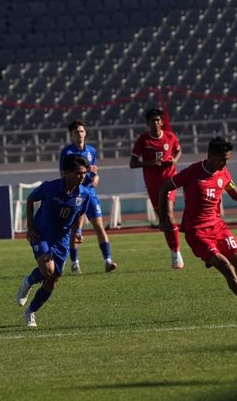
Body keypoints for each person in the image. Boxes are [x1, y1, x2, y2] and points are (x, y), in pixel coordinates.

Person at [158, 137, 237, 319]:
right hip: (197, 232)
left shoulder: (223, 172)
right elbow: (165, 188)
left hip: (218, 227)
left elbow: (236, 194)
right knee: (226, 266)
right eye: (222, 159)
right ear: (210, 156)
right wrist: (163, 219)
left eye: (227, 159)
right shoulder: (193, 172)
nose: (224, 163)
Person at [16, 154, 91, 328]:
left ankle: (30, 312)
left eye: (84, 173)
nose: (82, 177)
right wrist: (30, 226)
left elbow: (80, 214)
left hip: (62, 239)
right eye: (79, 173)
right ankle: (28, 282)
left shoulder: (84, 194)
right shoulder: (50, 187)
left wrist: (77, 231)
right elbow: (30, 199)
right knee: (47, 268)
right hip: (41, 234)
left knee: (52, 281)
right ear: (66, 173)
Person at [59, 119, 117, 274]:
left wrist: (96, 178)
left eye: (81, 131)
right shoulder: (67, 153)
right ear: (71, 135)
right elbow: (63, 174)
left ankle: (108, 260)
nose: (79, 134)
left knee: (99, 225)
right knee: (76, 229)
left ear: (85, 133)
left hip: (90, 193)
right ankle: (74, 262)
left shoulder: (91, 151)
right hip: (76, 195)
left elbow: (94, 172)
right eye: (76, 132)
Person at [129, 108, 184, 269]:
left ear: (162, 122)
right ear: (148, 123)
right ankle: (173, 252)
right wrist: (149, 163)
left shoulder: (170, 137)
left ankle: (177, 253)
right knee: (163, 220)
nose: (156, 123)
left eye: (158, 120)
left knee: (168, 214)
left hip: (170, 180)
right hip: (153, 185)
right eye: (153, 120)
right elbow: (132, 163)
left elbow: (178, 151)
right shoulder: (143, 141)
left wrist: (173, 160)